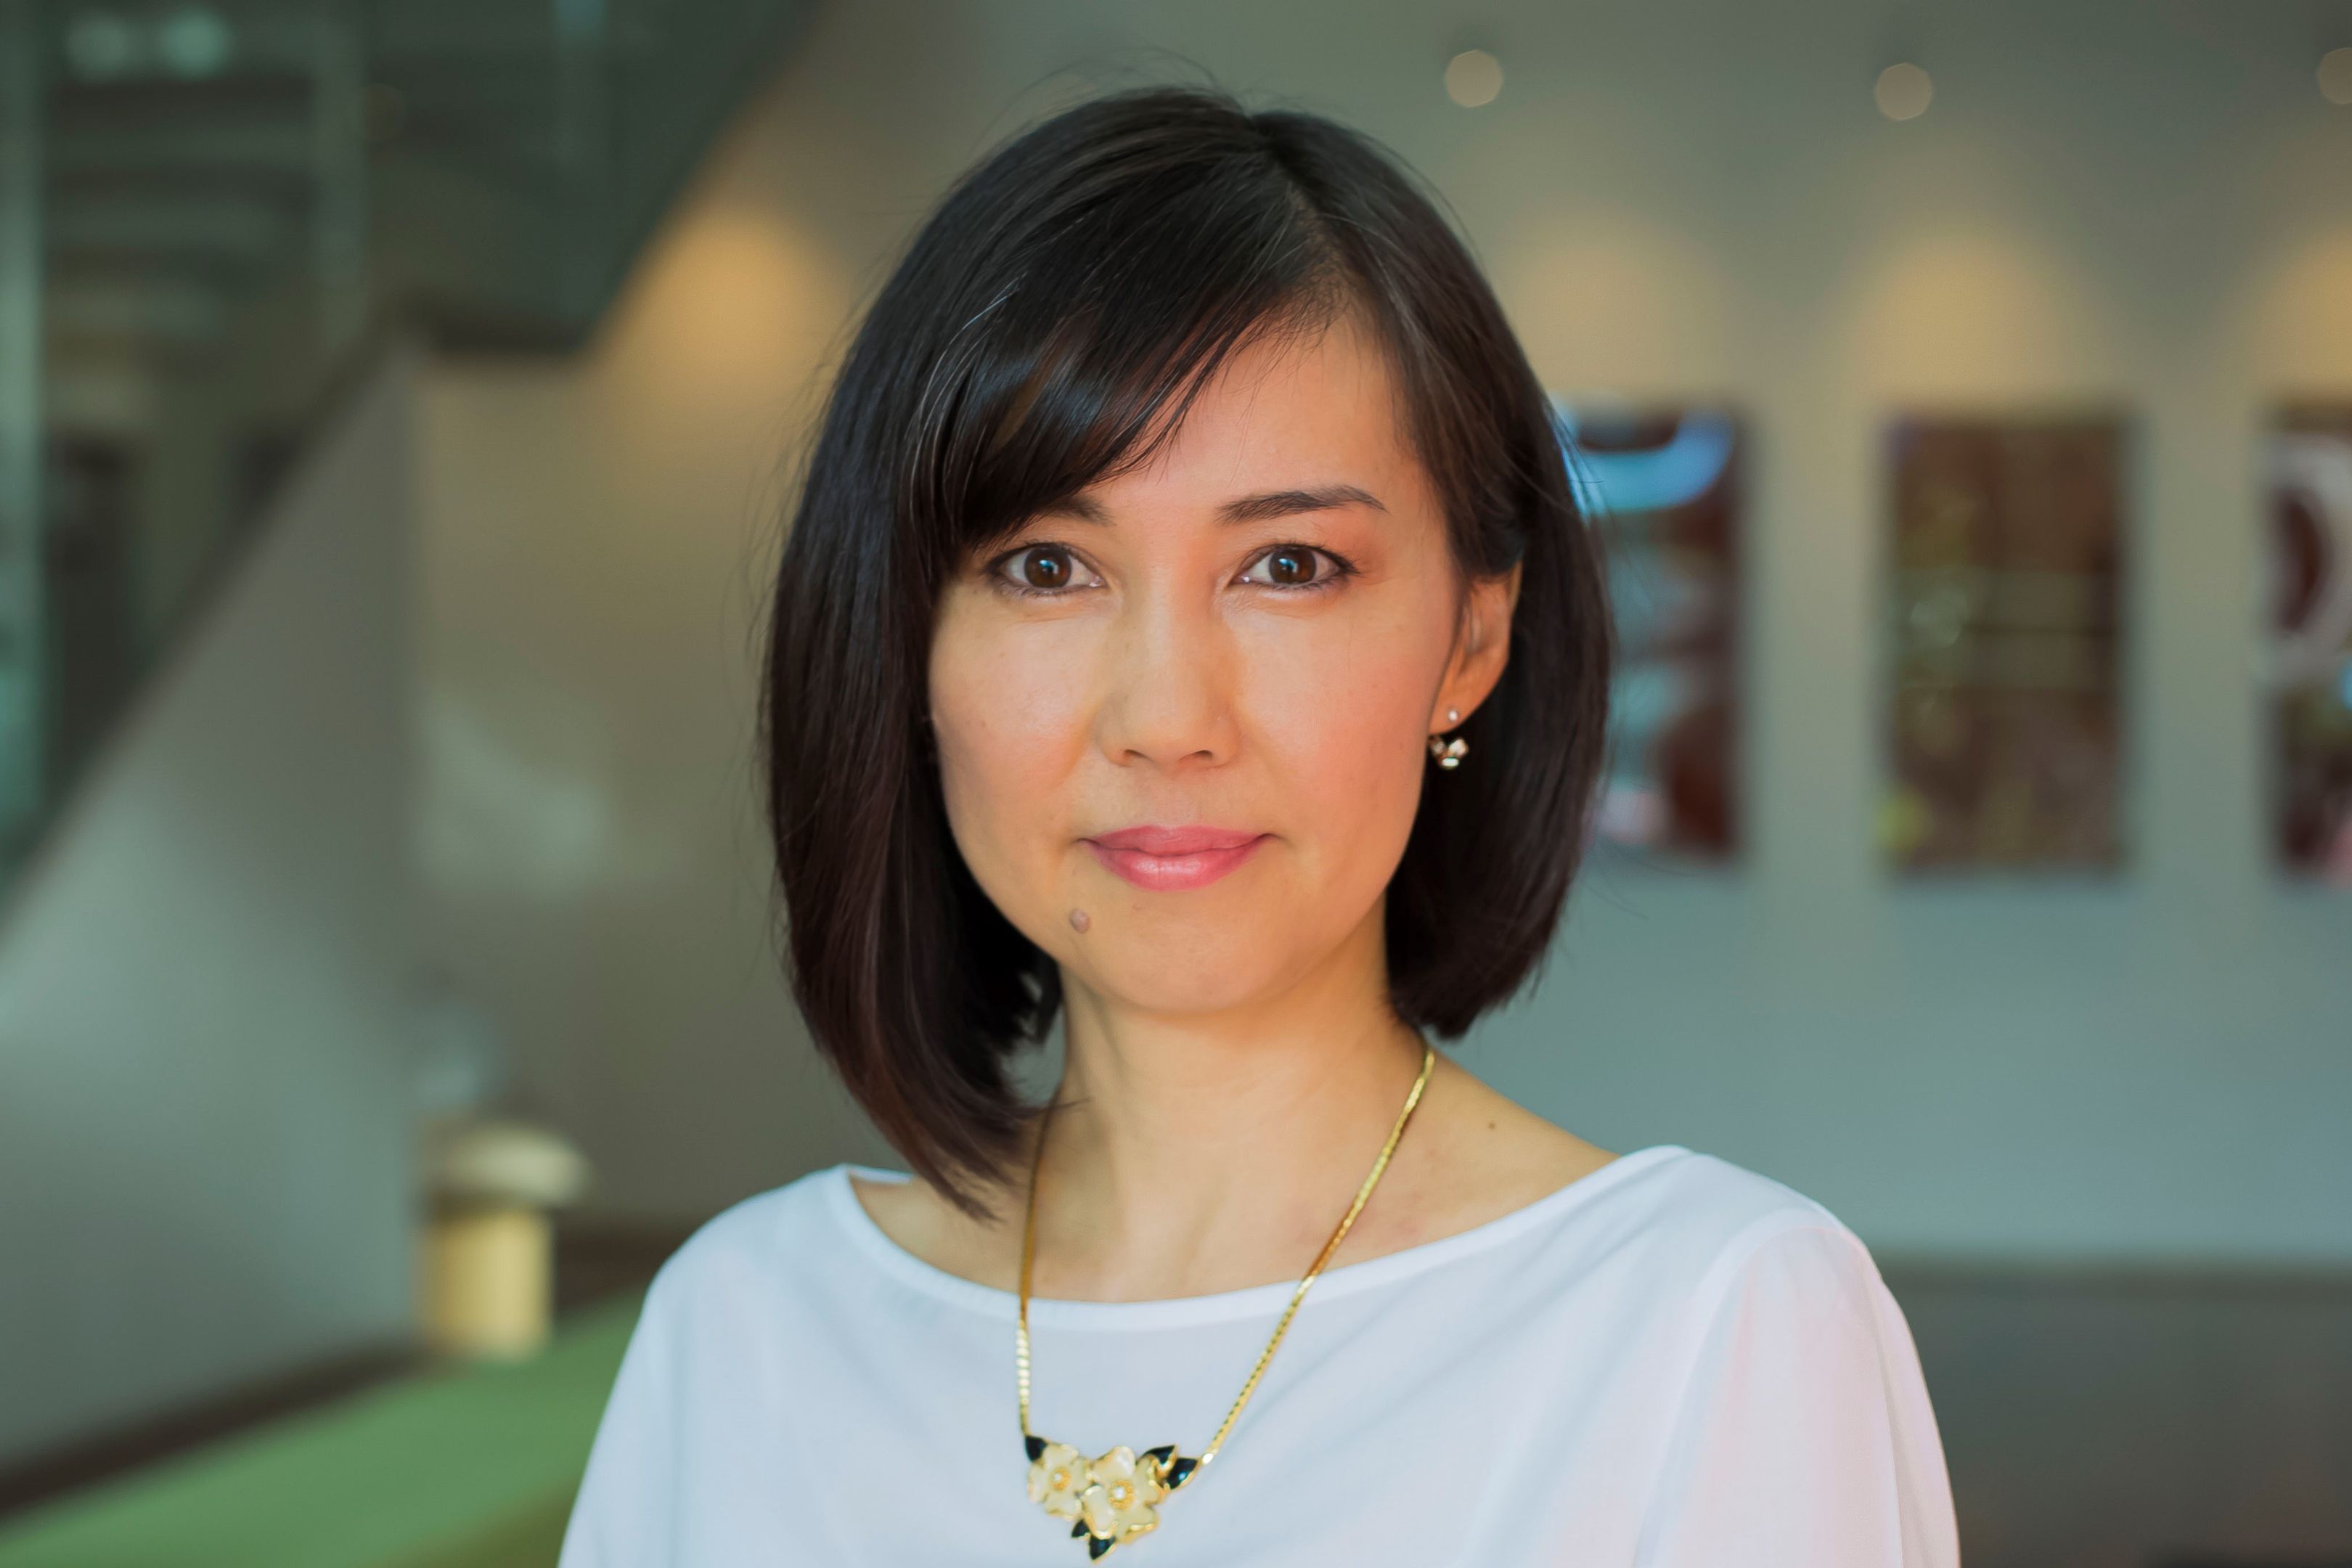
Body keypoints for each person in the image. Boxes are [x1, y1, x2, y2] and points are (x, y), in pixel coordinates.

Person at [557, 85, 1961, 1567]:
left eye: (1289, 565)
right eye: (1046, 568)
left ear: (1472, 641)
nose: (1167, 715)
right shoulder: (752, 1327)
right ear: (906, 643)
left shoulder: (1711, 1326)